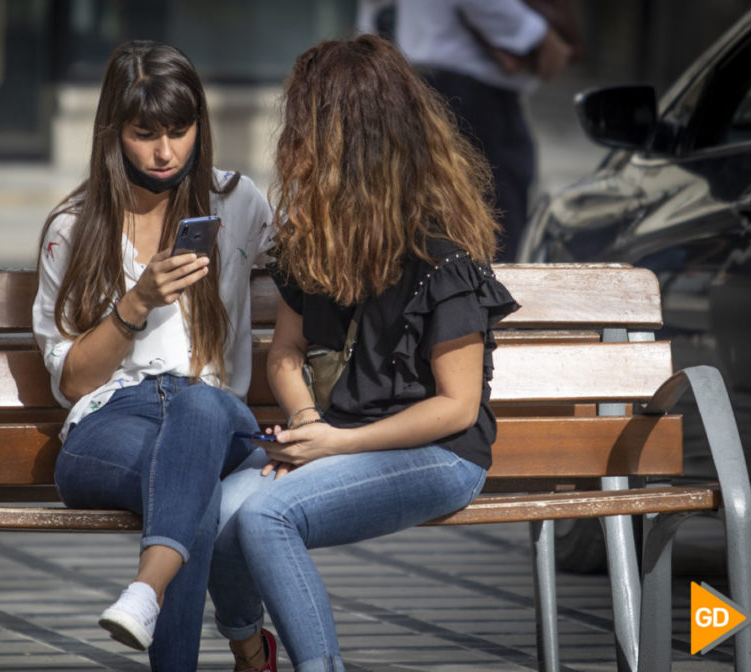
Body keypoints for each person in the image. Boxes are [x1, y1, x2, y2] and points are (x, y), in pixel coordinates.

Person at [208, 35, 519, 672]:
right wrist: (306, 422)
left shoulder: (441, 252)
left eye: (306, 124)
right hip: (336, 440)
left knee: (267, 516)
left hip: (436, 455)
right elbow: (287, 353)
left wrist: (335, 445)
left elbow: (458, 408)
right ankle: (251, 650)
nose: (294, 142)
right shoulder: (312, 238)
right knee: (218, 510)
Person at [31, 40, 272, 671]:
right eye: (145, 134)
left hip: (213, 414)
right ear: (114, 131)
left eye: (179, 130)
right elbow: (73, 383)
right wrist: (134, 303)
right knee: (193, 486)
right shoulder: (74, 229)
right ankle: (246, 644)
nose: (166, 152)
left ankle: (146, 593)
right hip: (109, 423)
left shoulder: (237, 204)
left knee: (197, 416)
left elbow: (314, 272)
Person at [358, 0, 576, 261]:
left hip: (436, 78)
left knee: (437, 213)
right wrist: (535, 34)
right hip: (466, 90)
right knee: (486, 219)